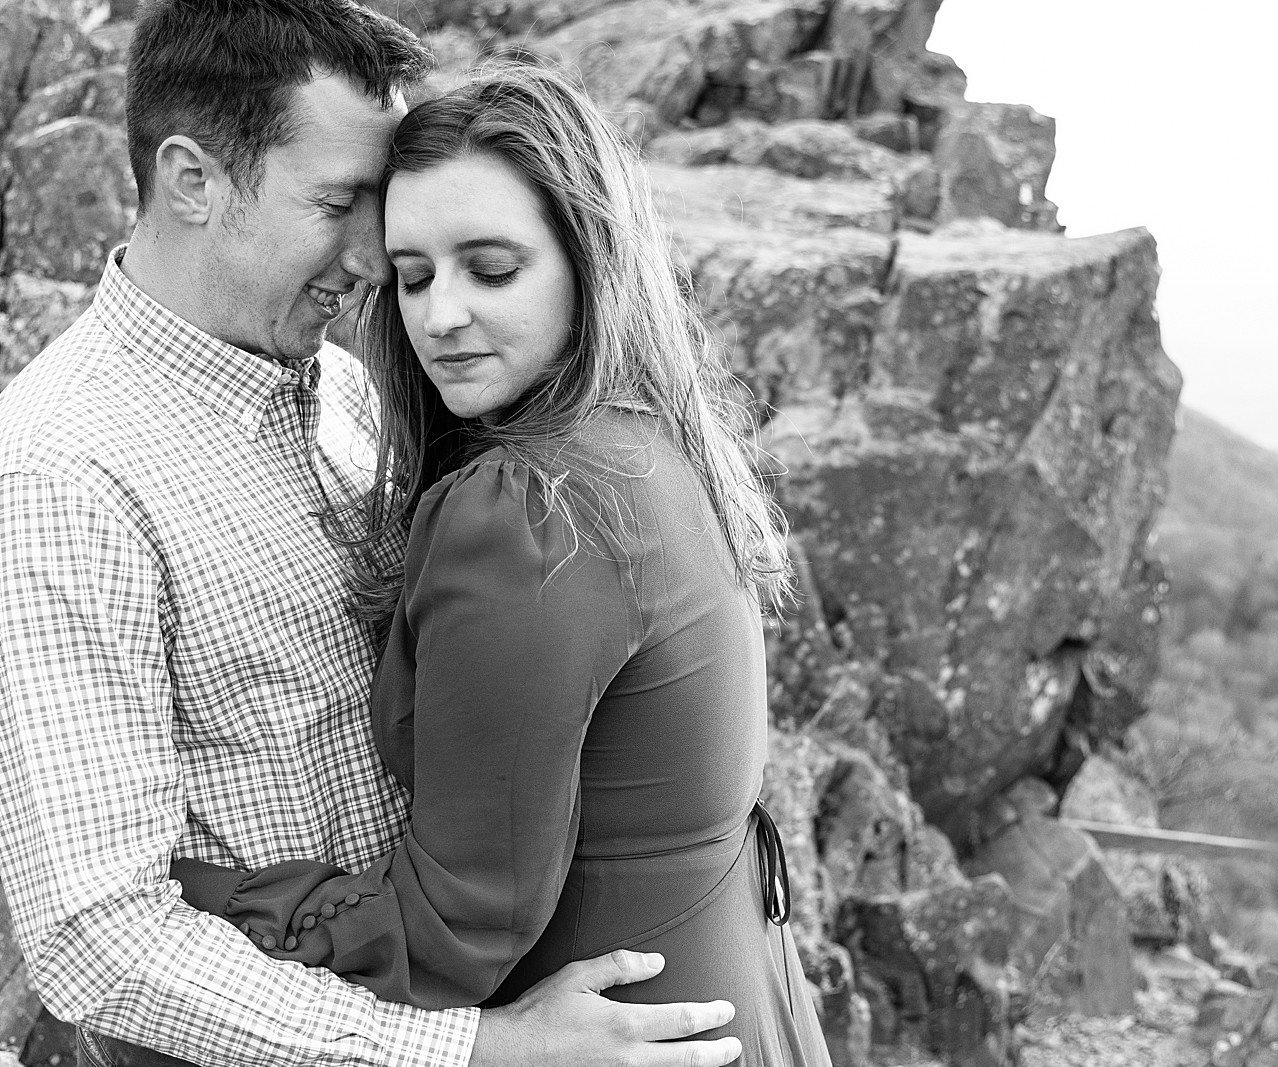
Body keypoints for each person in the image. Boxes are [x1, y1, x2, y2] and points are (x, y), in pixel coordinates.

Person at [0, 2, 741, 1065]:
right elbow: (98, 937)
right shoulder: (60, 471)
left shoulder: (347, 393)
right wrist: (475, 1048)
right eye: (339, 202)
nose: (375, 256)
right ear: (192, 180)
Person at [166, 63, 833, 1065]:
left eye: (490, 266)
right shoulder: (654, 444)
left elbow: (450, 931)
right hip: (735, 996)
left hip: (621, 1031)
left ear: (587, 257)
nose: (440, 317)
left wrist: (179, 899)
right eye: (416, 274)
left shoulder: (533, 509)